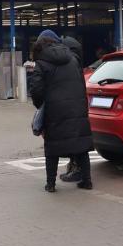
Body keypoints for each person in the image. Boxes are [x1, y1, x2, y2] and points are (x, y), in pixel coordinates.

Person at [28, 29, 93, 193]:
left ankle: (50, 184)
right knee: (81, 145)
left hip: (54, 110)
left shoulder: (42, 63)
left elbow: (36, 90)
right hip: (77, 108)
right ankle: (87, 181)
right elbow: (81, 83)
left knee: (52, 148)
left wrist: (40, 105)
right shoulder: (73, 58)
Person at [58, 35, 89, 183]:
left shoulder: (70, 64)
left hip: (73, 108)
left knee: (75, 141)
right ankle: (81, 174)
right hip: (80, 107)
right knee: (80, 141)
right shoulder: (77, 64)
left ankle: (77, 171)